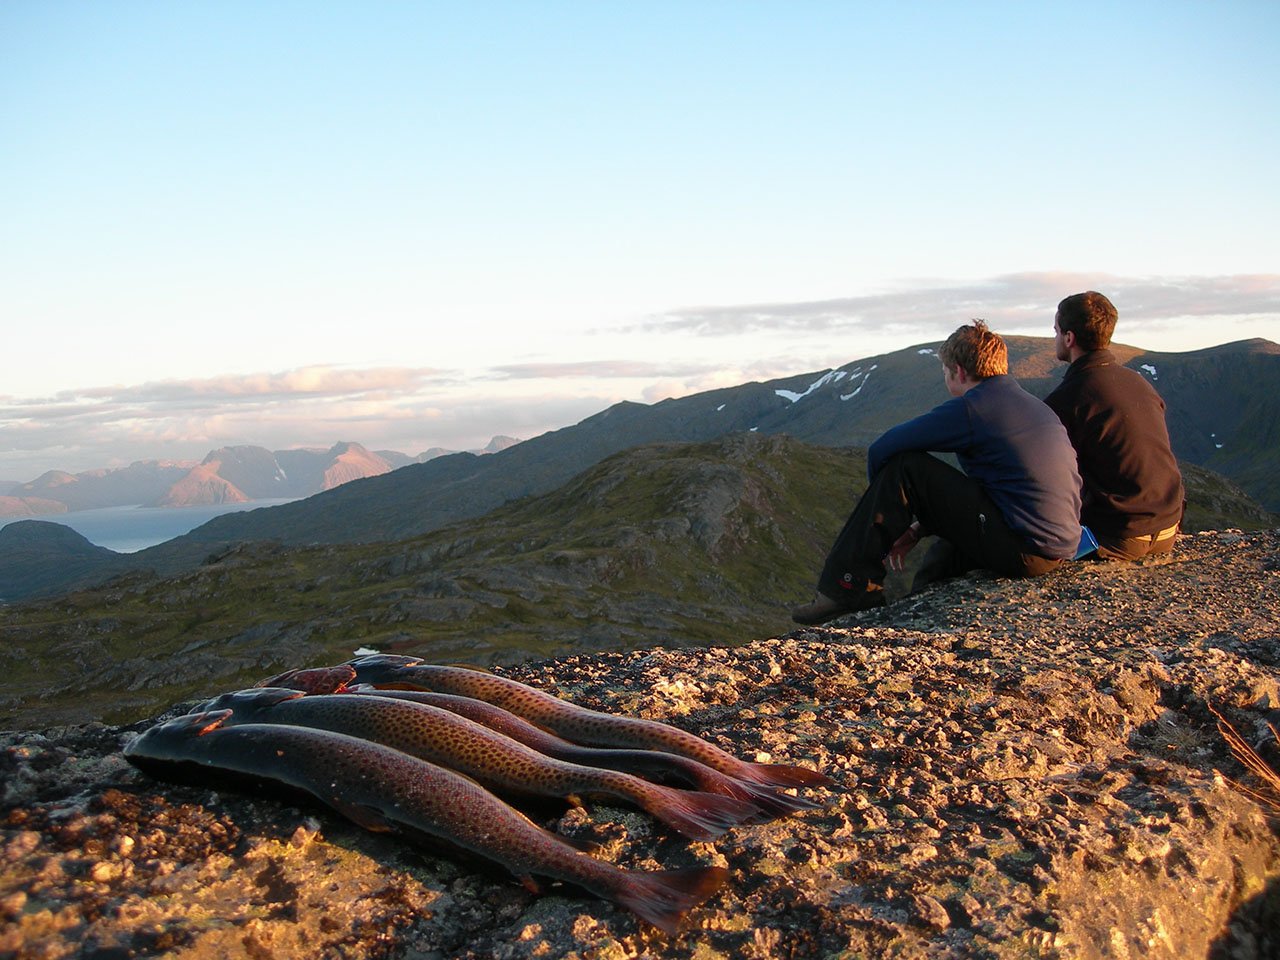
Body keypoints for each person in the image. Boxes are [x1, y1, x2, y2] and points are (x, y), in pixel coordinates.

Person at [791, 320, 1082, 626]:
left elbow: (883, 449)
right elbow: (1000, 489)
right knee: (940, 558)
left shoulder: (975, 407)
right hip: (1053, 547)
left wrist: (887, 512)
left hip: (1024, 549)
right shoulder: (1030, 405)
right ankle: (909, 616)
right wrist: (918, 528)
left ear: (958, 371)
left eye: (945, 372)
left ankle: (847, 588)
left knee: (906, 466)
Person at [1045, 291, 1185, 561]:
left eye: (1056, 331)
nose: (1055, 338)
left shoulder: (1067, 400)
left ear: (1069, 338)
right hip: (1168, 529)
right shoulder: (1139, 383)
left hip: (1120, 537)